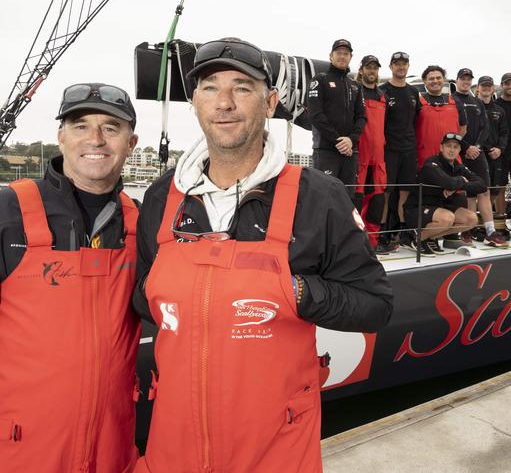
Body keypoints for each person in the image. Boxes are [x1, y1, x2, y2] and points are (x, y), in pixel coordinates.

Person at [132, 37, 393, 473]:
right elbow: (143, 296)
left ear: (270, 102)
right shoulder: (162, 196)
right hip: (174, 446)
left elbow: (376, 306)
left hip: (274, 448)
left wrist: (296, 291)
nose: (225, 102)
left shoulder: (318, 196)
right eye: (211, 87)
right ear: (195, 101)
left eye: (243, 87)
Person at [0, 83, 141, 471]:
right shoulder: (9, 209)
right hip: (21, 448)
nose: (95, 139)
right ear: (61, 137)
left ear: (132, 142)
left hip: (115, 447)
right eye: (80, 126)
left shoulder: (141, 223)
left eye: (111, 128)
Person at [403, 133, 486, 254]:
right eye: (448, 146)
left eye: (455, 147)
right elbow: (448, 183)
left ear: (459, 150)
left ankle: (430, 237)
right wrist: (462, 180)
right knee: (448, 218)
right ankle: (414, 238)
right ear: (441, 147)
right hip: (417, 209)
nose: (452, 150)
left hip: (440, 208)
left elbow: (482, 185)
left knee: (471, 219)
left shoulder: (458, 167)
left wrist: (457, 186)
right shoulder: (431, 163)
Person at [452, 68, 506, 247]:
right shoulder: (452, 100)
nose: (466, 82)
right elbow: (453, 128)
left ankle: (490, 231)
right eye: (463, 79)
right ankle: (466, 230)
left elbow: (486, 128)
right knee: (467, 192)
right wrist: (466, 147)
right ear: (457, 80)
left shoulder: (477, 102)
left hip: (477, 151)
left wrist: (477, 147)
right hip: (459, 151)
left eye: (469, 79)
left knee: (484, 190)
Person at [307, 38, 366, 199]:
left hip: (349, 152)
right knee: (324, 197)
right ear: (331, 56)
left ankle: (346, 226)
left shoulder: (355, 85)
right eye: (338, 53)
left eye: (346, 53)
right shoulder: (320, 79)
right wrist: (337, 140)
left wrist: (351, 140)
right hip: (326, 150)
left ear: (350, 57)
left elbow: (362, 117)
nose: (342, 56)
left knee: (348, 198)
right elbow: (315, 115)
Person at [378, 51, 421, 251]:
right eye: (397, 64)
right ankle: (382, 232)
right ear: (391, 67)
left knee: (405, 191)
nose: (401, 67)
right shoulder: (383, 91)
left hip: (409, 149)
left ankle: (404, 232)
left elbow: (416, 120)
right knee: (386, 192)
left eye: (404, 64)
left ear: (408, 67)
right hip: (389, 150)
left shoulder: (413, 93)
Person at [355, 55, 387, 251]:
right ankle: (356, 242)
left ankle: (373, 242)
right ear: (361, 70)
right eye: (368, 68)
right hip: (360, 154)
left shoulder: (382, 95)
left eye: (375, 68)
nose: (371, 71)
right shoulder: (355, 92)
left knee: (377, 200)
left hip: (379, 157)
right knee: (356, 200)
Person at [415, 65, 467, 168]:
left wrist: (453, 144)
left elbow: (463, 128)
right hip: (425, 156)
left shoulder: (455, 102)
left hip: (451, 157)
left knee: (454, 183)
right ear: (425, 82)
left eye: (438, 78)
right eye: (431, 78)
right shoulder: (418, 103)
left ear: (444, 80)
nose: (435, 81)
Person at [476, 75, 509, 216]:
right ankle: (475, 219)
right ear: (478, 88)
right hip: (476, 154)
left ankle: (485, 219)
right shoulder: (472, 107)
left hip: (495, 154)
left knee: (495, 188)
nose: (486, 88)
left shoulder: (499, 110)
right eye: (483, 85)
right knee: (476, 189)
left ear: (493, 88)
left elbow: (504, 133)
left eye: (489, 86)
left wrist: (500, 149)